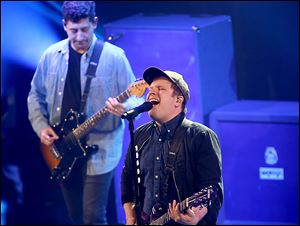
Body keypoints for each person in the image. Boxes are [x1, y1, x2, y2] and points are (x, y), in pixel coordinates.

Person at [27, 1, 143, 224]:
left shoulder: (115, 56)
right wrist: (41, 128)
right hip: (63, 147)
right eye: (73, 30)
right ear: (64, 26)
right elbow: (35, 95)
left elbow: (137, 97)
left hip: (101, 149)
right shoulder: (51, 55)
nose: (79, 36)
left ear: (94, 23)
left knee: (93, 217)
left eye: (85, 29)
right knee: (76, 216)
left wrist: (125, 109)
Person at [121, 66, 223, 225]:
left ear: (178, 100)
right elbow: (127, 178)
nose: (151, 93)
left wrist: (195, 216)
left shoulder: (201, 136)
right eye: (150, 89)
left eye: (160, 89)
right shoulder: (140, 134)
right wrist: (131, 217)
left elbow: (212, 189)